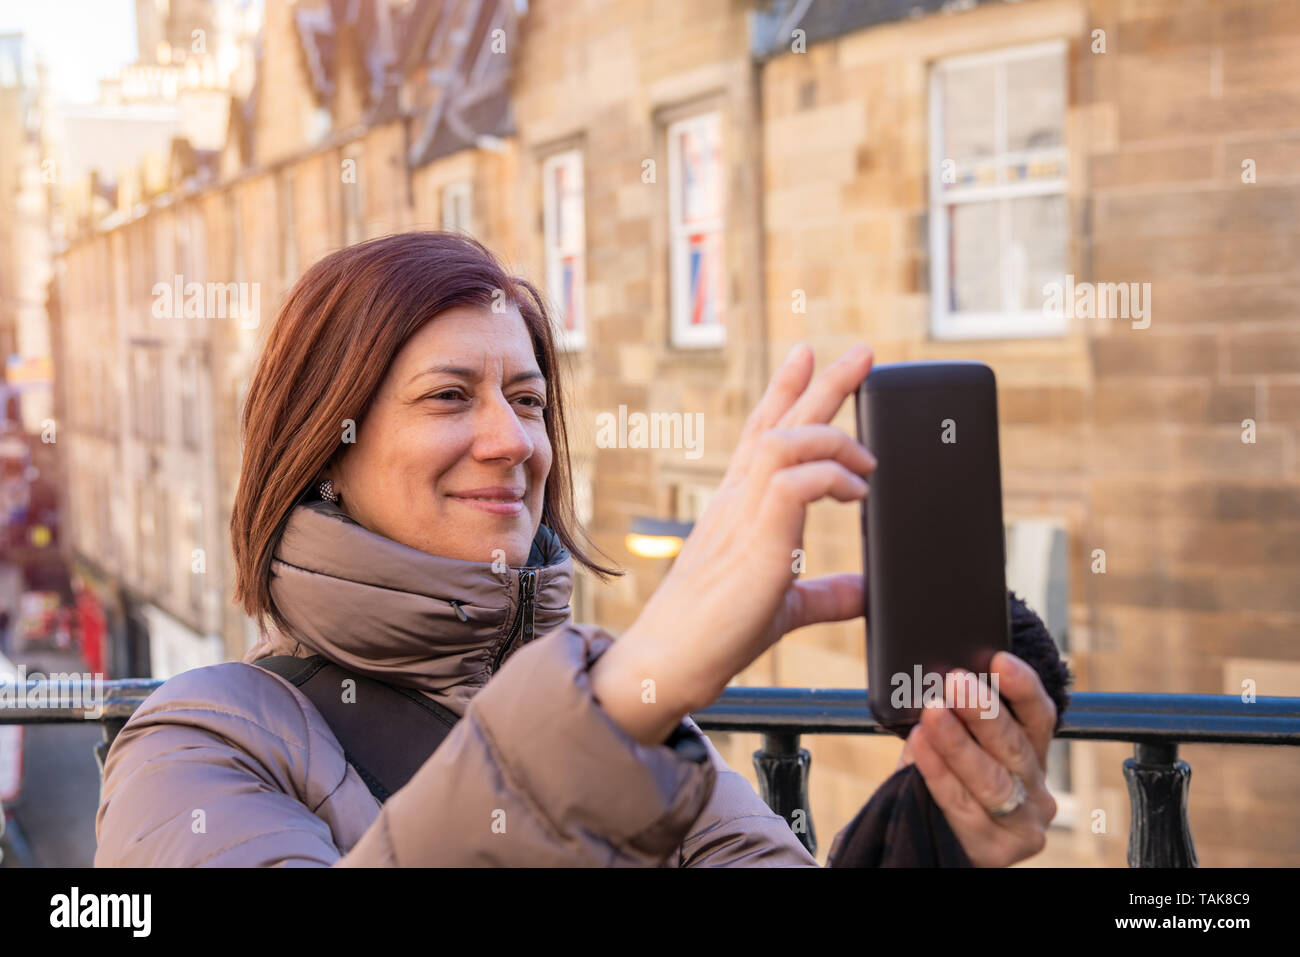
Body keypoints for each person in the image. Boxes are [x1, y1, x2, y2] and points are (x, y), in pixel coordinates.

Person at [94, 231, 1058, 867]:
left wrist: (937, 833)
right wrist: (625, 690)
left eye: (526, 399)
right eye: (447, 397)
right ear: (325, 451)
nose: (514, 440)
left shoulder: (639, 736)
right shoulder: (200, 739)